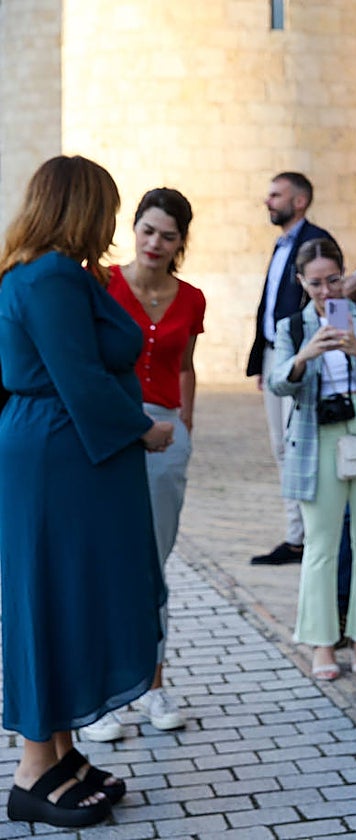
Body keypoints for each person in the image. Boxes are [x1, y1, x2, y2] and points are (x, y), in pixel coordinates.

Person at [0, 155, 173, 827]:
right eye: (105, 206)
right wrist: (141, 430)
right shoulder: (47, 278)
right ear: (81, 207)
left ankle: (62, 750)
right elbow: (77, 375)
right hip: (60, 454)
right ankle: (33, 767)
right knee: (48, 597)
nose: (110, 220)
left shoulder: (56, 274)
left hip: (65, 453)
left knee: (67, 596)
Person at [82, 188, 204, 743]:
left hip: (166, 434)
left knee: (152, 566)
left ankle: (152, 684)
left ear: (181, 243)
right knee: (107, 563)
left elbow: (185, 366)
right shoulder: (101, 283)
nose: (155, 243)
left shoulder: (192, 298)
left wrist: (187, 424)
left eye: (168, 235)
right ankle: (101, 696)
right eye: (147, 230)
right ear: (133, 229)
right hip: (111, 430)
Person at [267, 237, 356, 680]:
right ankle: (322, 643)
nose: (327, 291)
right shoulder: (293, 327)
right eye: (316, 283)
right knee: (321, 545)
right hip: (317, 435)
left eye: (334, 280)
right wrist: (306, 355)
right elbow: (279, 382)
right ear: (302, 281)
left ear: (344, 274)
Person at [247, 172, 337, 566]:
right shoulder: (280, 244)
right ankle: (295, 535)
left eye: (275, 195)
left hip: (304, 359)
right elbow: (268, 304)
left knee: (296, 444)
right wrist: (258, 362)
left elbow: (329, 298)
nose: (268, 201)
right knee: (280, 447)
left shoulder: (316, 242)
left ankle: (303, 535)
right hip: (273, 357)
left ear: (299, 201)